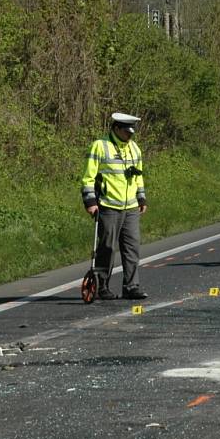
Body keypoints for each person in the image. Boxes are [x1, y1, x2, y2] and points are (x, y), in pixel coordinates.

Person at [81, 113, 148, 300]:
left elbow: (138, 176)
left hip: (131, 208)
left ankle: (131, 286)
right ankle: (102, 286)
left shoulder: (134, 148)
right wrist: (90, 202)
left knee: (132, 247)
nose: (130, 135)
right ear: (116, 129)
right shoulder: (100, 146)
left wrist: (141, 198)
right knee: (107, 248)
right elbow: (88, 177)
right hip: (108, 206)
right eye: (127, 132)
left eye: (132, 132)